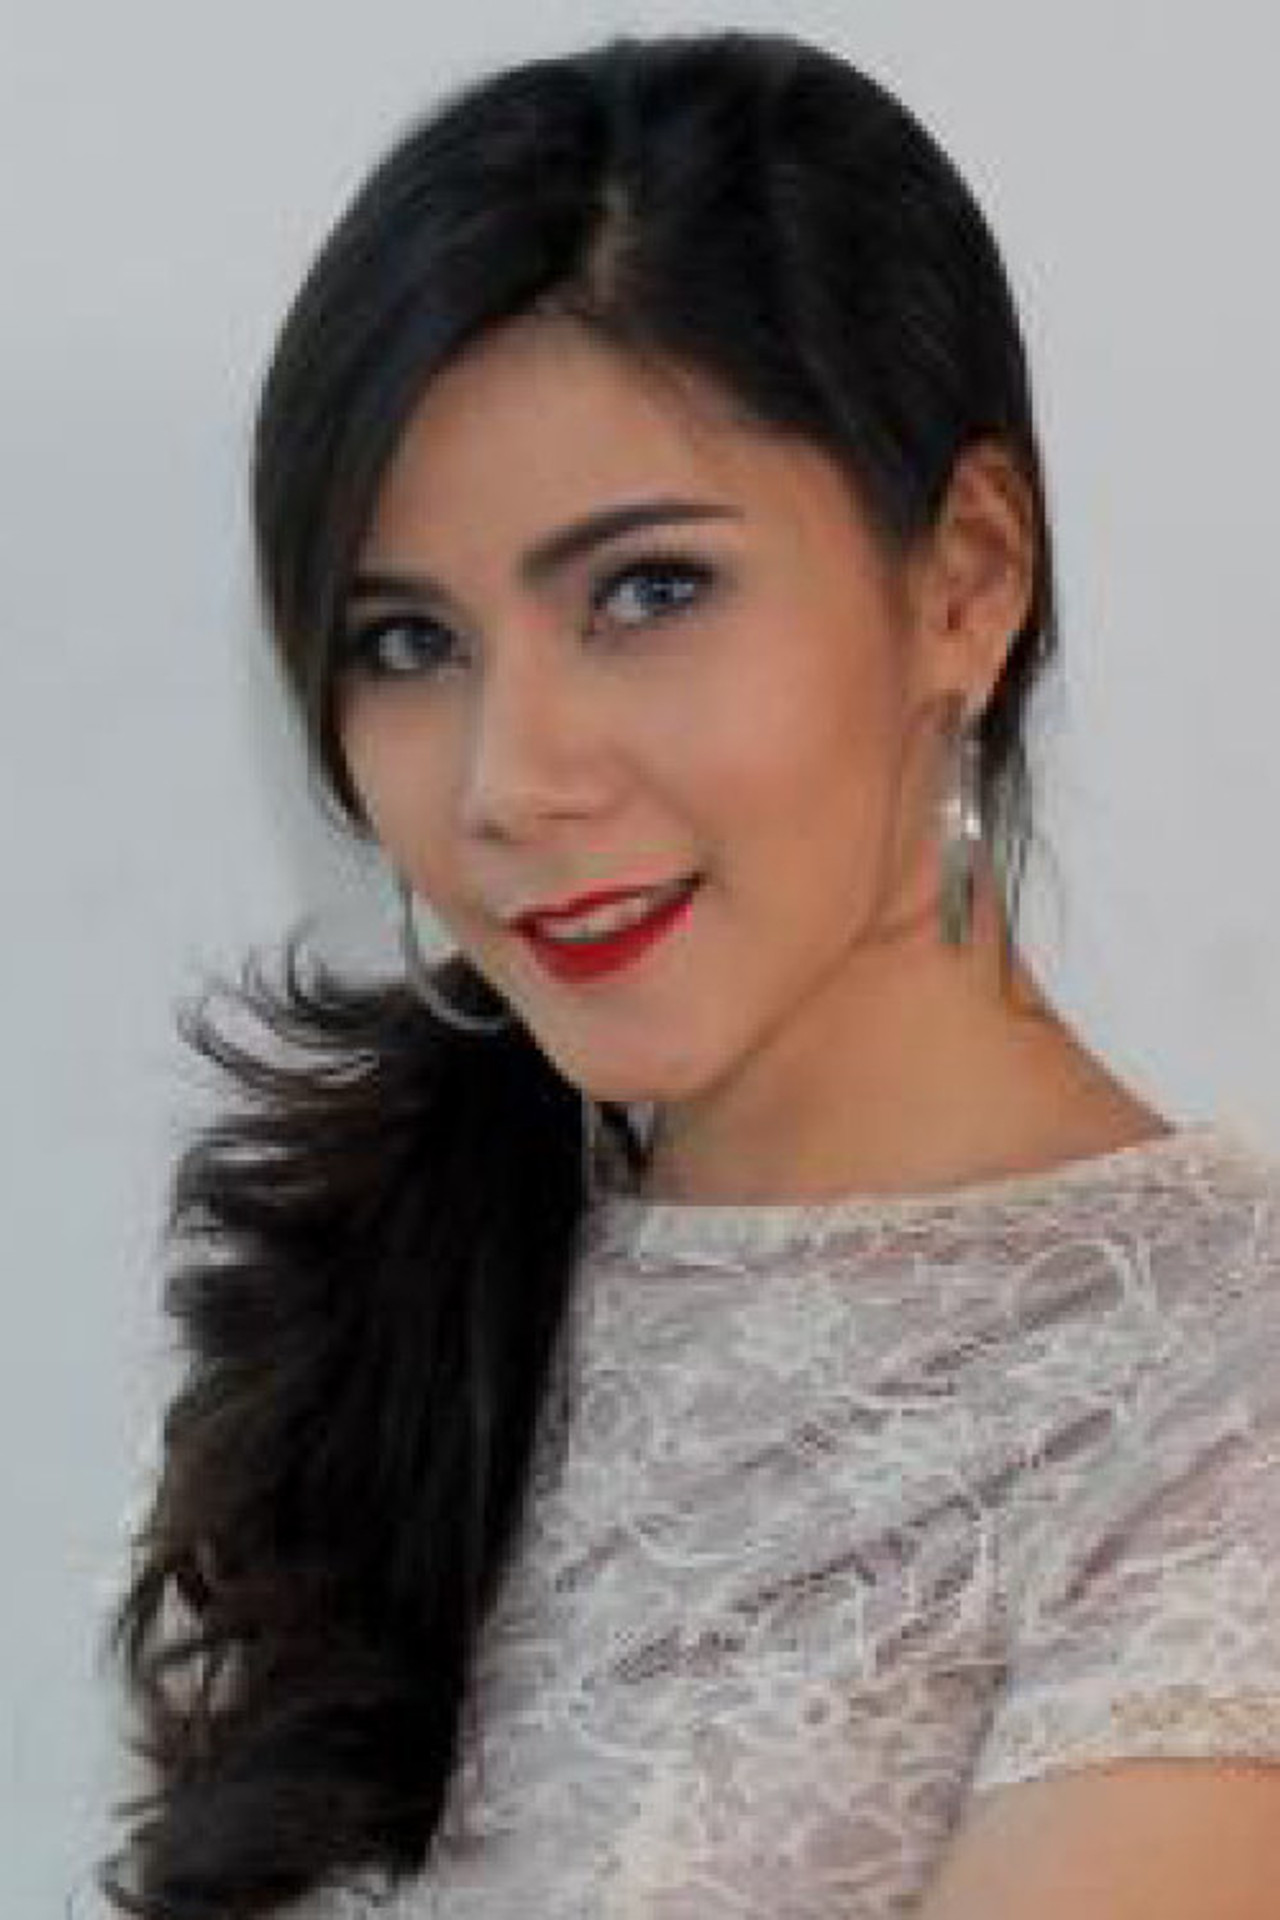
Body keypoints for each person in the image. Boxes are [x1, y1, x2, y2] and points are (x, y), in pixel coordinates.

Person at [94, 27, 1280, 1919]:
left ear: (968, 579)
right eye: (408, 643)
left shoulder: (1217, 1394)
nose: (509, 780)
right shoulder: (403, 1310)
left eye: (647, 592)